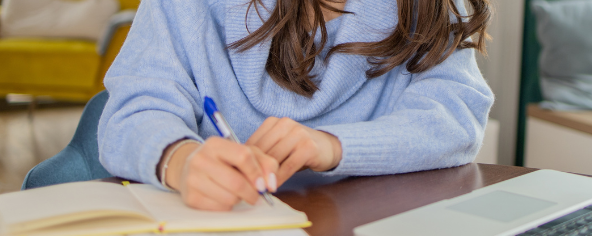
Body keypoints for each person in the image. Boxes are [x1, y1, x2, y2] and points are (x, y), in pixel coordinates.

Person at [97, 0, 494, 211]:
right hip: (220, 234)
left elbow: (455, 114)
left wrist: (333, 144)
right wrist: (180, 160)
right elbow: (134, 111)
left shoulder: (435, 5)